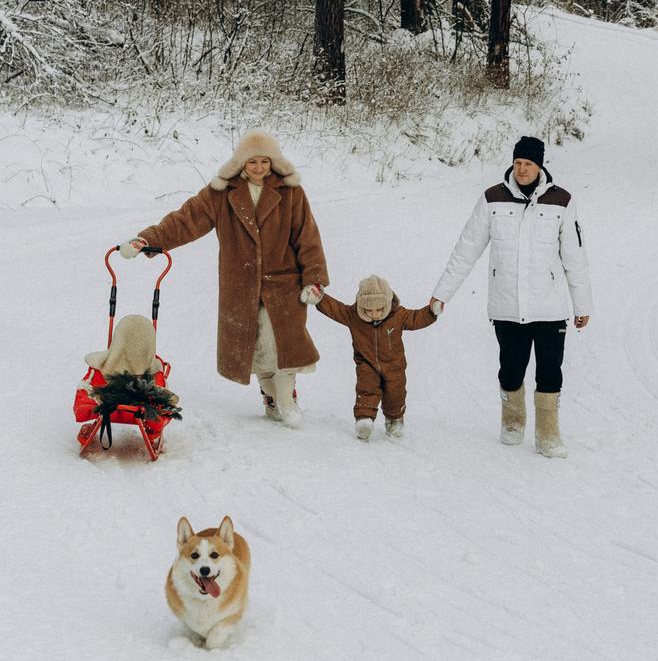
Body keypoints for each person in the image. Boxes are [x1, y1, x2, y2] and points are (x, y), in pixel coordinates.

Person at [116, 130, 329, 427]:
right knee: (256, 344)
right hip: (240, 286)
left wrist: (314, 277)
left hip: (283, 283)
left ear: (273, 162)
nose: (258, 168)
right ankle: (269, 395)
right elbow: (185, 220)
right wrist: (147, 240)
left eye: (264, 161)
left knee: (284, 342)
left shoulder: (291, 193)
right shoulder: (222, 194)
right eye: (252, 161)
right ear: (241, 163)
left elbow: (308, 236)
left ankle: (287, 398)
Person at [430, 135, 591, 458]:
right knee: (510, 370)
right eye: (518, 163)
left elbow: (575, 257)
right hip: (507, 305)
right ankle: (513, 422)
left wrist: (582, 304)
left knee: (550, 371)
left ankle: (548, 435)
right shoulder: (492, 199)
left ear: (539, 166)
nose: (522, 169)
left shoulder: (561, 201)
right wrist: (441, 294)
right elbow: (466, 250)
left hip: (549, 308)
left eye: (528, 164)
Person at [305, 274, 438, 441]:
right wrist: (319, 298)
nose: (374, 314)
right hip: (366, 364)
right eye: (368, 310)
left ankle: (394, 420)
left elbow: (417, 318)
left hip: (394, 366)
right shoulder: (354, 316)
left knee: (395, 393)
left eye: (379, 309)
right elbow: (336, 309)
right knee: (366, 388)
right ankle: (364, 421)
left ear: (387, 304)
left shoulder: (398, 315)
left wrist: (431, 312)